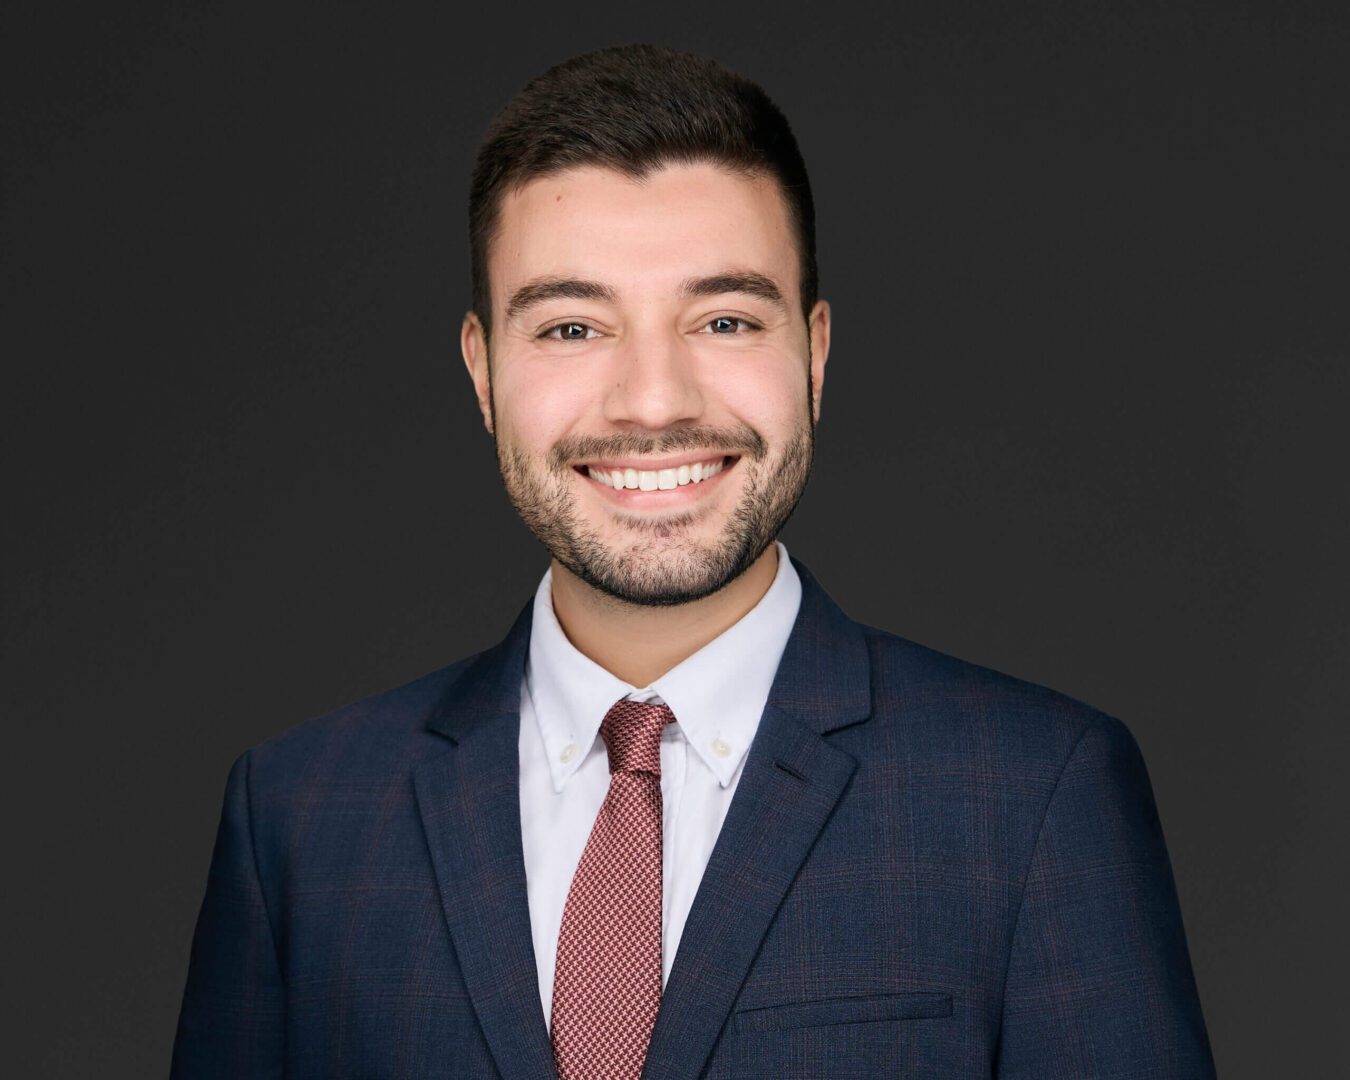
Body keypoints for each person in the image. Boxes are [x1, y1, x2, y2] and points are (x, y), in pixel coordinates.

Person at [171, 44, 1216, 1079]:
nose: (655, 400)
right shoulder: (300, 820)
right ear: (483, 371)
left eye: (722, 319)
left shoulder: (1032, 795)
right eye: (573, 326)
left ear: (813, 352)